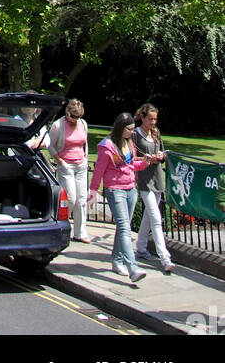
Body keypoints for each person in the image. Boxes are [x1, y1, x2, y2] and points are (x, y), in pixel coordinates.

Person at [88, 110, 164, 284]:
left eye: (132, 129)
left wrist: (143, 163)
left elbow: (131, 165)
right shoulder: (106, 146)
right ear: (120, 128)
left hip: (130, 188)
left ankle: (117, 260)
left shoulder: (129, 143)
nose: (132, 132)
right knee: (124, 228)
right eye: (129, 129)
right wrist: (93, 191)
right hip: (115, 190)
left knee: (123, 227)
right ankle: (132, 267)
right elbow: (98, 171)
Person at [133, 104, 174, 274]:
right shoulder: (135, 134)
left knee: (149, 217)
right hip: (144, 179)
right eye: (150, 119)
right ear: (142, 117)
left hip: (157, 177)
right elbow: (131, 157)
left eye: (155, 119)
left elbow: (163, 153)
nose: (153, 122)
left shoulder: (156, 132)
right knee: (156, 219)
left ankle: (141, 247)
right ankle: (165, 258)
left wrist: (161, 156)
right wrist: (146, 158)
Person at [48, 98, 90, 242]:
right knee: (71, 198)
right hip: (66, 165)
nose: (75, 120)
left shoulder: (83, 124)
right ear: (67, 112)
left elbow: (85, 143)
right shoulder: (58, 126)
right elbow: (50, 146)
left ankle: (80, 232)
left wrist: (85, 157)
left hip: (81, 165)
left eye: (78, 117)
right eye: (73, 116)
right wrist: (60, 161)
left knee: (81, 199)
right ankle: (61, 225)